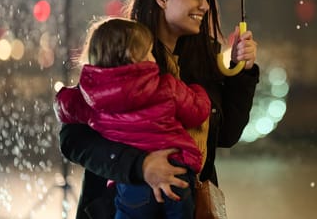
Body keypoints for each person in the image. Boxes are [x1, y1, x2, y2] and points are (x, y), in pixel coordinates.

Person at [58, 0, 259, 219]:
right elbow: (74, 141)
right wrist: (140, 166)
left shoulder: (202, 61)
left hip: (186, 204)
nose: (205, 6)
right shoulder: (126, 52)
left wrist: (241, 72)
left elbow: (227, 135)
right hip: (124, 204)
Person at [54, 18, 211, 219]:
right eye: (149, 53)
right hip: (176, 172)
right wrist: (198, 90)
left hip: (129, 188)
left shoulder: (93, 97)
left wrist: (63, 99)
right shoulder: (166, 87)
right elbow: (198, 111)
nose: (153, 59)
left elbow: (66, 106)